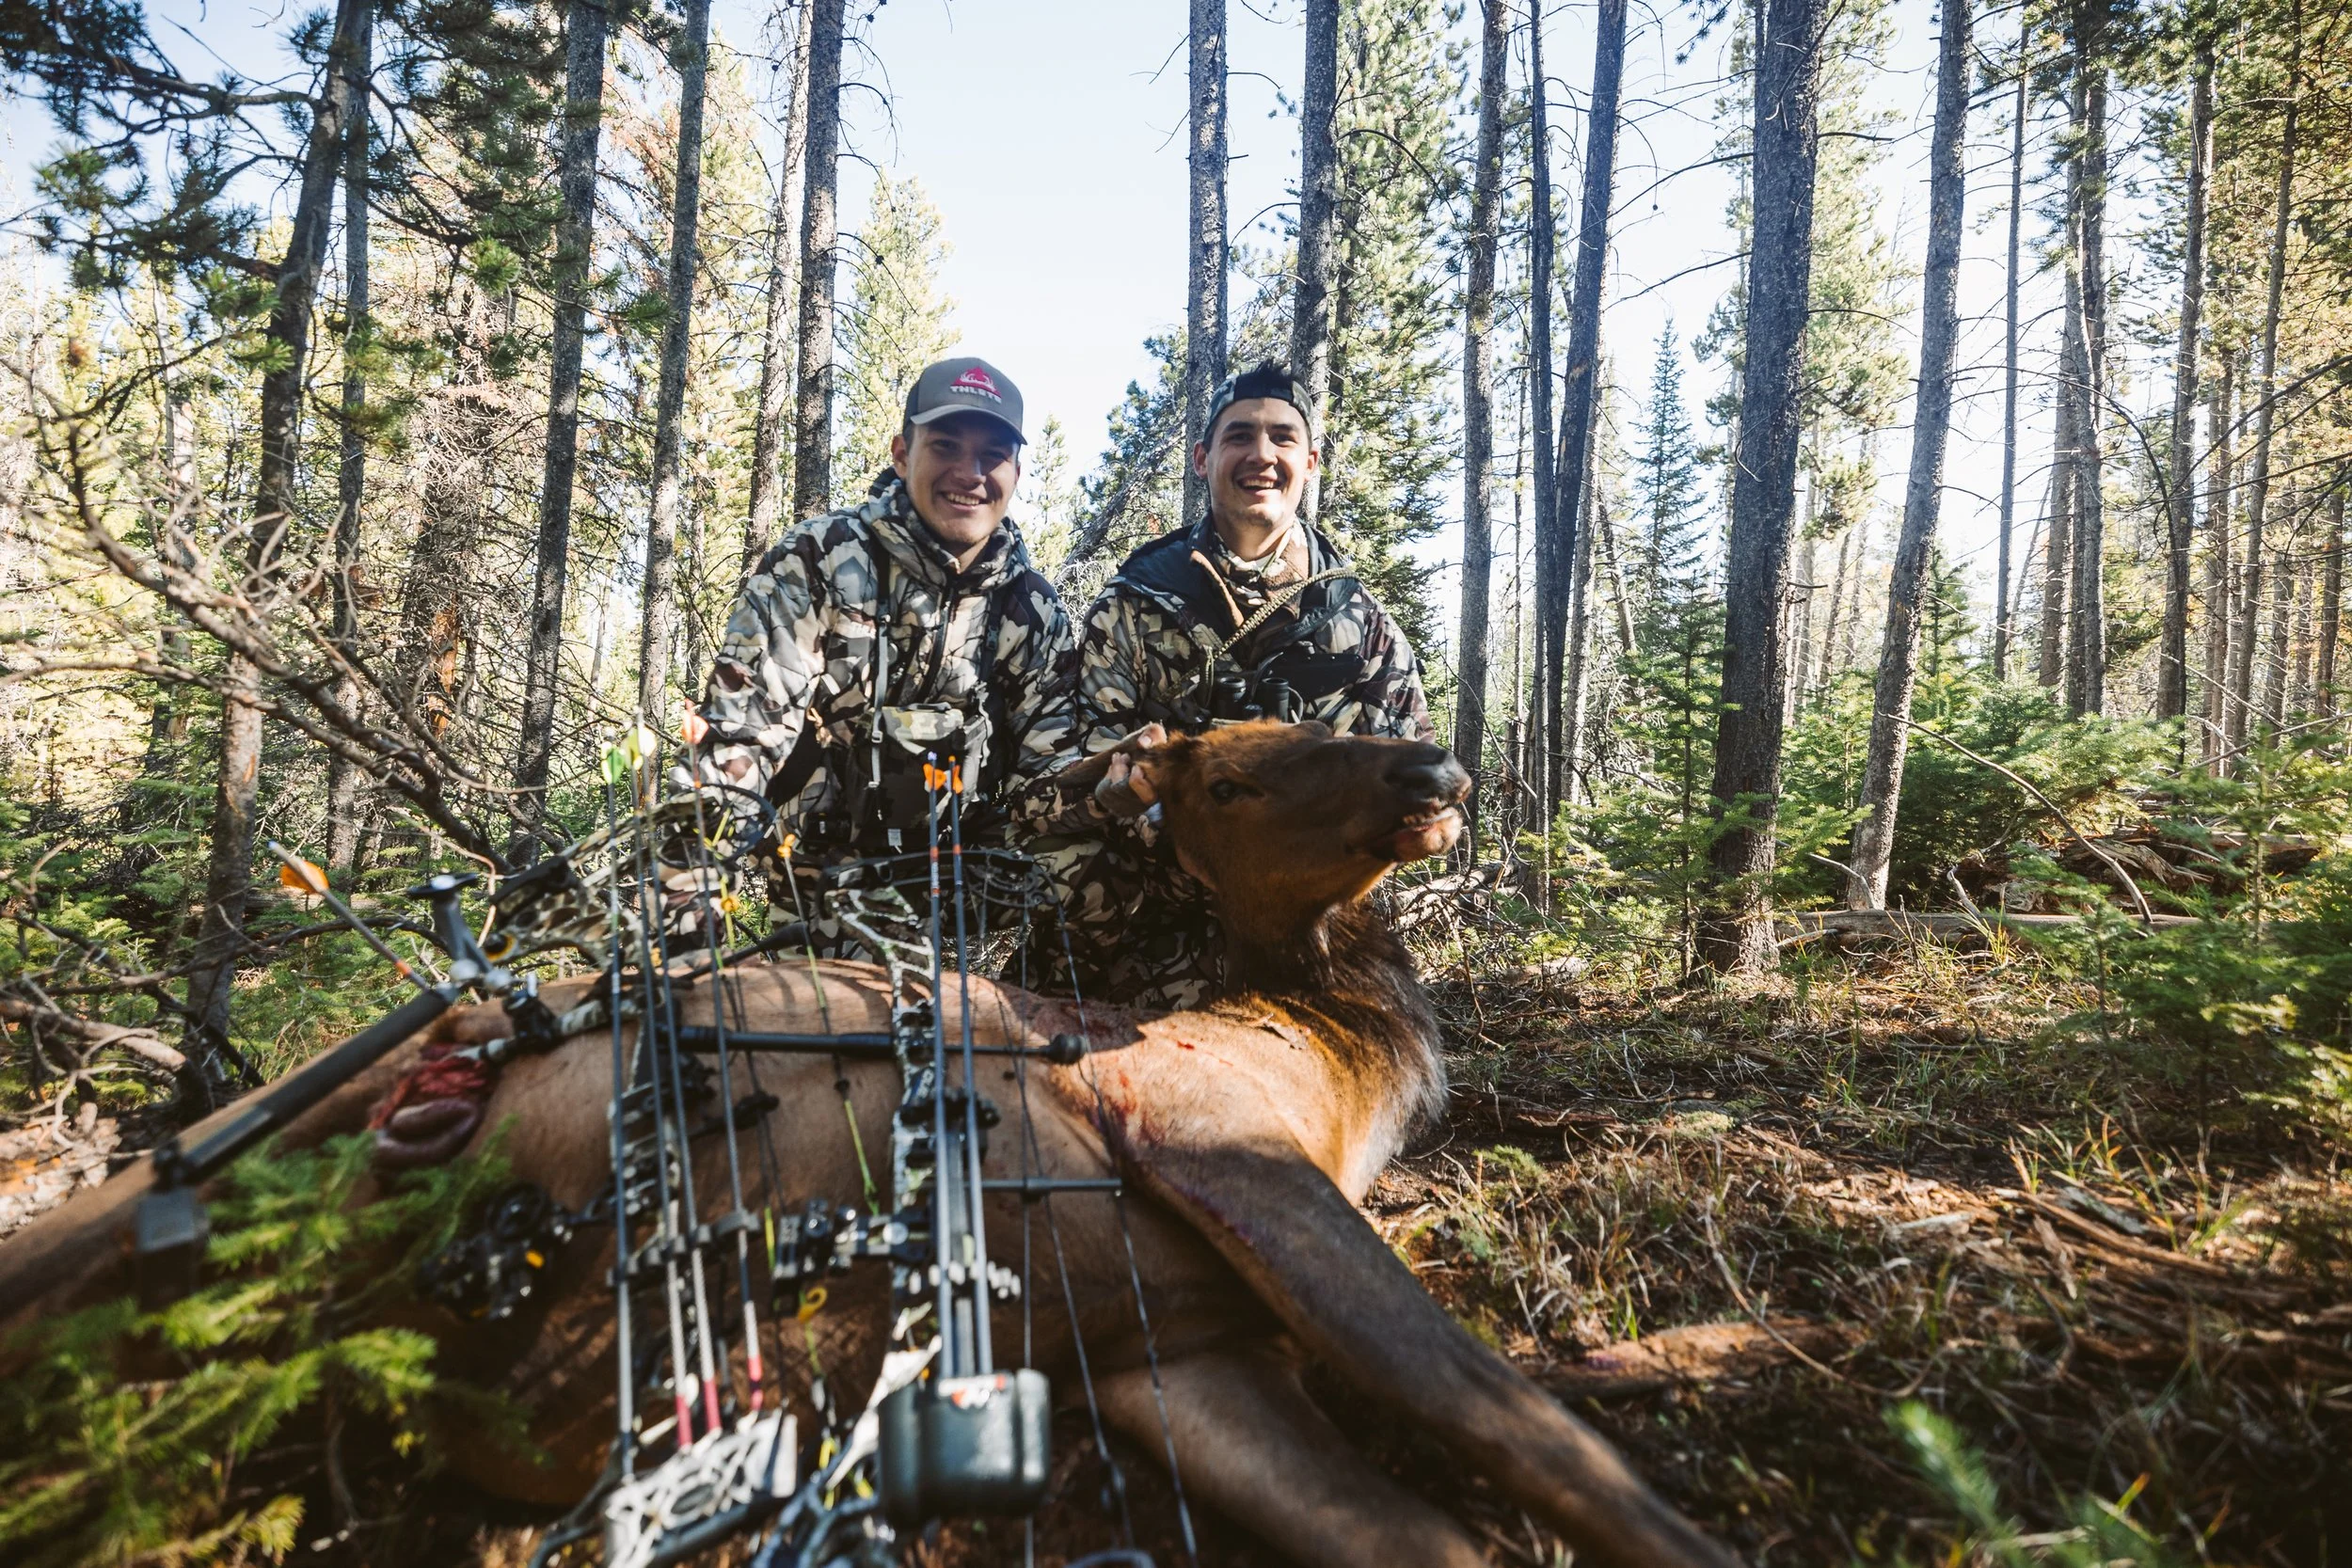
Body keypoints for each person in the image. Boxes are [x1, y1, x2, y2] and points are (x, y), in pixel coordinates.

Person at [1016, 361, 1434, 1008]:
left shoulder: (1363, 625)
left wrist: (1425, 825)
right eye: (1238, 436)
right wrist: (1138, 802)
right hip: (1146, 928)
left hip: (1304, 931)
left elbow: (1417, 776)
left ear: (1312, 460)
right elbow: (1064, 784)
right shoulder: (1134, 607)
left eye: (1282, 437)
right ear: (1201, 457)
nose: (1261, 455)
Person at [693, 356, 1072, 949]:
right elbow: (741, 736)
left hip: (965, 891)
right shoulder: (820, 559)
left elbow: (1052, 773)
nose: (969, 474)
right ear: (902, 454)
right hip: (821, 882)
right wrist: (690, 891)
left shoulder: (1032, 607)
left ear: (1017, 472)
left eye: (992, 455)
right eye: (945, 446)